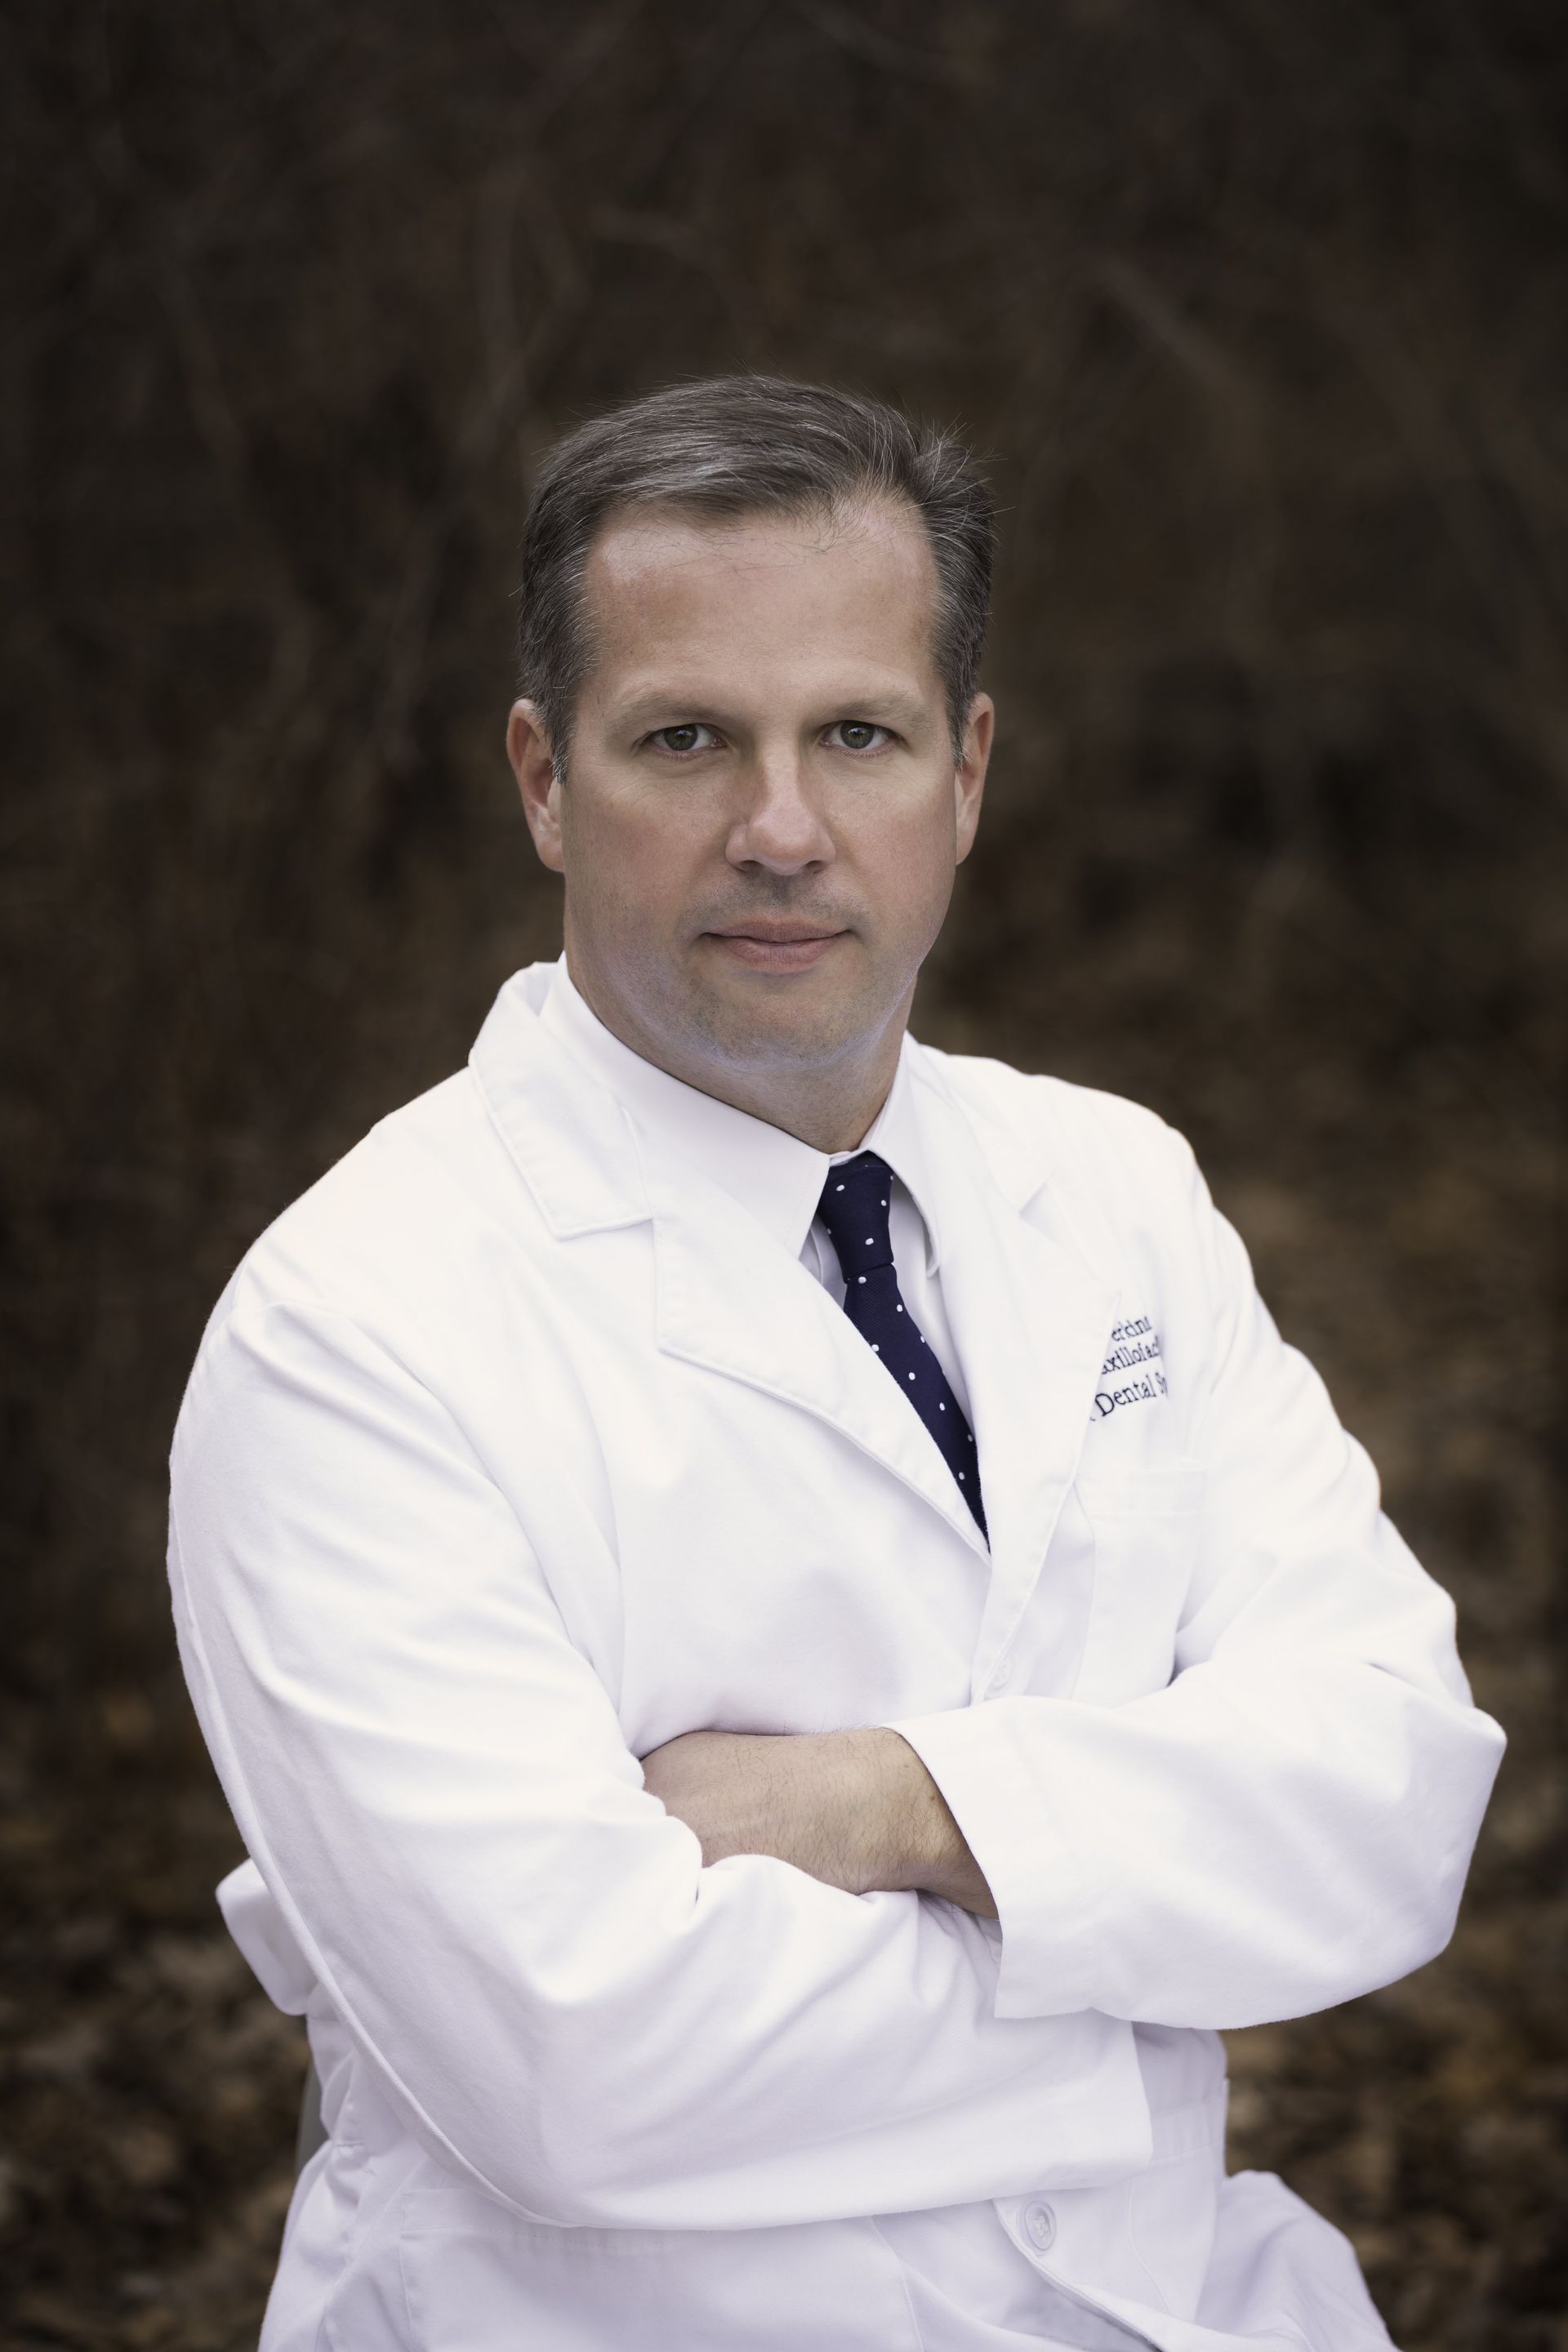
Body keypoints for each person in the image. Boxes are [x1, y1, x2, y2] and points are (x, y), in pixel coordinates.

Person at [168, 376, 1503, 2352]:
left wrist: (897, 1809)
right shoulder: (354, 1329)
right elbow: (583, 2067)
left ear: (966, 773)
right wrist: (1141, 1966)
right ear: (544, 780)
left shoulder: (1110, 1187)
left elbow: (1393, 1793)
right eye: (686, 739)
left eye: (856, 735)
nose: (780, 831)